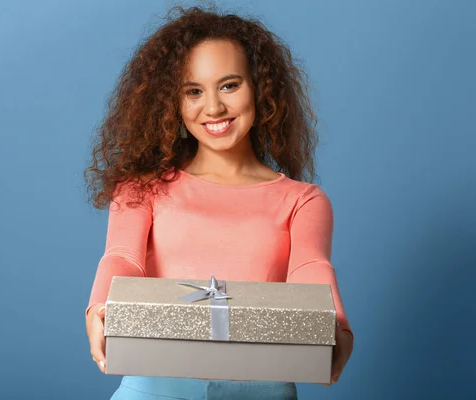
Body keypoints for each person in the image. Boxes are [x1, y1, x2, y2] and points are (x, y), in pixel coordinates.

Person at [84, 5, 353, 400]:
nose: (213, 108)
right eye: (193, 91)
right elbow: (123, 257)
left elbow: (310, 270)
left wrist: (336, 327)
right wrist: (99, 309)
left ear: (260, 88)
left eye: (229, 85)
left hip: (263, 389)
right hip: (156, 388)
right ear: (170, 103)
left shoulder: (302, 200)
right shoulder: (139, 191)